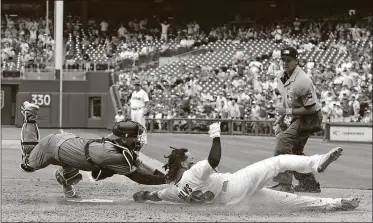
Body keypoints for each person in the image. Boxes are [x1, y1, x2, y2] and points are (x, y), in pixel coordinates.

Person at [132, 122, 359, 211]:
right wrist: (216, 136)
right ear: (182, 162)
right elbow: (213, 160)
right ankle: (315, 162)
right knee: (277, 162)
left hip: (232, 200)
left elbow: (154, 195)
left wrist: (141, 195)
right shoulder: (194, 171)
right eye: (188, 158)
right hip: (237, 184)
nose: (192, 159)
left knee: (288, 202)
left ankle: (336, 203)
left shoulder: (172, 190)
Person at [19, 101, 166, 198]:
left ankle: (65, 178)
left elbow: (141, 165)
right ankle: (30, 116)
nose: (139, 139)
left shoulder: (118, 145)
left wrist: (167, 176)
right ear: (125, 138)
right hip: (51, 146)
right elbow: (140, 177)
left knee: (73, 168)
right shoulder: (113, 155)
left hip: (68, 146)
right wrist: (167, 180)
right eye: (136, 136)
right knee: (28, 163)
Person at [270, 47, 323, 193]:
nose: (285, 63)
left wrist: (286, 112)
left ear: (296, 61)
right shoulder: (281, 76)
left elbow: (311, 109)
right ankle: (309, 184)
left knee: (283, 140)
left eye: (289, 60)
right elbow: (287, 99)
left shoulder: (302, 80)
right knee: (294, 151)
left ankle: (284, 184)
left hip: (311, 117)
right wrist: (280, 118)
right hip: (298, 116)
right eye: (283, 60)